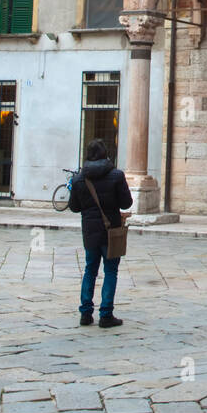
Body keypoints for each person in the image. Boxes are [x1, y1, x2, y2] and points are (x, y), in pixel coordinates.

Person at [68, 139, 132, 328]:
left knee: (90, 270)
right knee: (111, 270)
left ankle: (86, 313)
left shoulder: (79, 178)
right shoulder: (116, 175)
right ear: (105, 153)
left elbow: (73, 207)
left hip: (90, 232)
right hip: (110, 230)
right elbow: (126, 203)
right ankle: (106, 314)